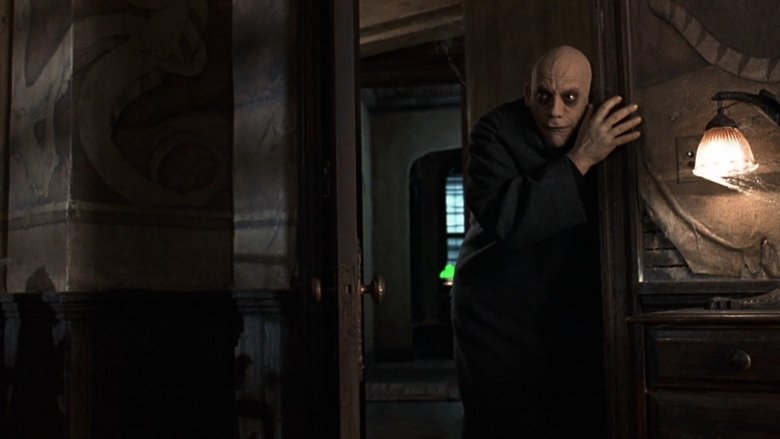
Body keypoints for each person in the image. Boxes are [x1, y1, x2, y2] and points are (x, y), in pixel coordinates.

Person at [451, 45, 642, 438]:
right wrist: (582, 157)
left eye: (569, 98)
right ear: (528, 94)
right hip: (493, 311)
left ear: (589, 100)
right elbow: (510, 219)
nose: (555, 111)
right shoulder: (493, 132)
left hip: (563, 311)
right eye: (544, 96)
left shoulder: (604, 130)